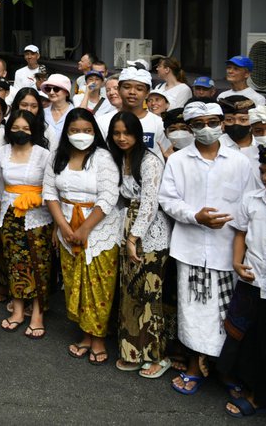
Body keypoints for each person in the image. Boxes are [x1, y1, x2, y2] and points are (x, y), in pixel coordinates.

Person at [160, 101, 259, 394]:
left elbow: (249, 203)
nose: (207, 129)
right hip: (191, 248)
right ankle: (194, 366)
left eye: (213, 122)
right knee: (193, 311)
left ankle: (224, 368)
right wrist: (195, 216)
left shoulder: (239, 162)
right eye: (199, 124)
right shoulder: (178, 161)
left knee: (225, 311)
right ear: (190, 128)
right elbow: (168, 199)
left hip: (228, 250)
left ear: (222, 123)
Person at [218, 144, 266, 417]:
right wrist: (237, 262)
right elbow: (240, 233)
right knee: (244, 335)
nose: (265, 178)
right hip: (251, 279)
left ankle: (261, 397)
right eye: (262, 171)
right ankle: (243, 383)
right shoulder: (252, 199)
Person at [43, 108, 122, 365]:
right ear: (66, 132)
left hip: (99, 230)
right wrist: (63, 227)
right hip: (67, 227)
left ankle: (98, 339)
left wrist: (85, 229)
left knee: (99, 287)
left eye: (87, 130)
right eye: (75, 130)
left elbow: (109, 196)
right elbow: (50, 193)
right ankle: (85, 335)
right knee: (74, 283)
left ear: (94, 132)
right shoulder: (57, 156)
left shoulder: (103, 157)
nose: (81, 135)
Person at [109, 112, 172, 378]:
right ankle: (133, 352)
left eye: (127, 133)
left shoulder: (149, 160)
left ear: (137, 134)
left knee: (150, 295)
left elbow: (149, 204)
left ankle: (158, 355)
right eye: (117, 133)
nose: (122, 138)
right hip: (127, 227)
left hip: (150, 233)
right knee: (130, 293)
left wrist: (134, 238)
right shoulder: (117, 159)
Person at [0, 109, 52, 339]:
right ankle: (18, 311)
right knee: (14, 263)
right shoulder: (2, 152)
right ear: (9, 129)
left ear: (34, 130)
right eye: (16, 128)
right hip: (10, 214)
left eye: (26, 128)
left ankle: (38, 314)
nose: (21, 132)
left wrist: (38, 198)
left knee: (39, 264)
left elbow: (52, 186)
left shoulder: (43, 154)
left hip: (38, 216)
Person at [41, 74, 74, 139]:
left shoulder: (75, 113)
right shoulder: (42, 113)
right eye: (48, 89)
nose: (51, 92)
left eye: (56, 89)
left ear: (67, 92)